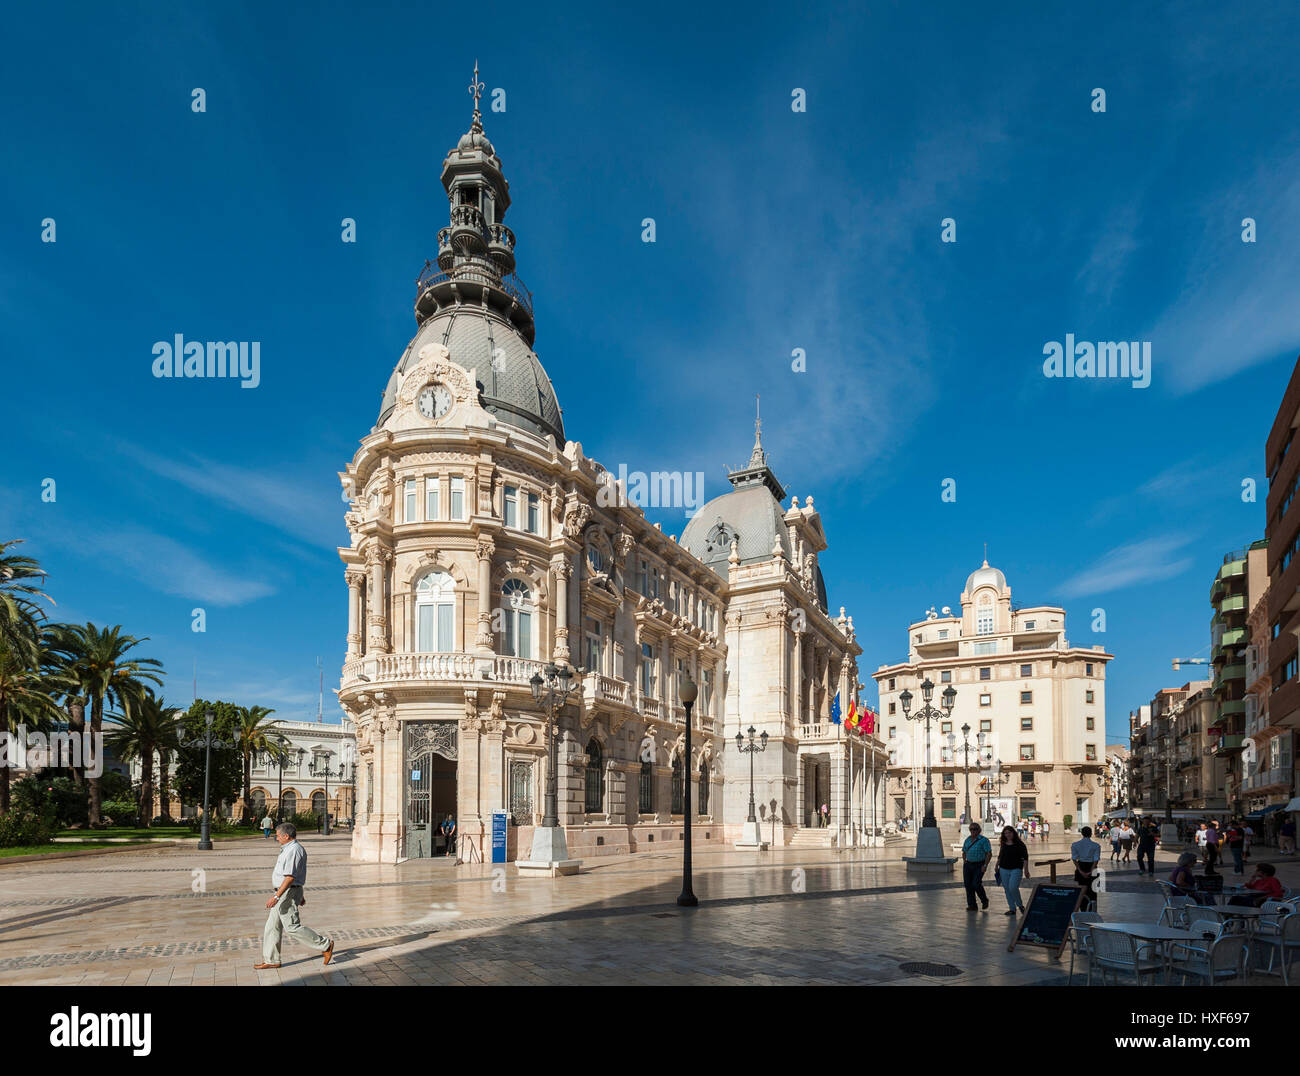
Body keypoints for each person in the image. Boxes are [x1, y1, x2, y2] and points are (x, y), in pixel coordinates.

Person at [252, 823, 335, 970]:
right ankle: (272, 960)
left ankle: (325, 944)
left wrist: (277, 897)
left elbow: (290, 877)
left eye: (278, 835)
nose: (276, 838)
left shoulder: (294, 850)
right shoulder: (288, 849)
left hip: (286, 892)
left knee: (291, 926)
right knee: (272, 927)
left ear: (286, 836)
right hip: (288, 891)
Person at [996, 825, 1031, 915]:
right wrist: (997, 866)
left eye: (1009, 832)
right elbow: (1000, 856)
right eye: (1006, 833)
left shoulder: (1020, 844)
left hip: (1016, 869)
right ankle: (1012, 908)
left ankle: (1020, 905)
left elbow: (1025, 858)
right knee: (1007, 889)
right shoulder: (1003, 844)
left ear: (1013, 833)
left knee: (1013, 887)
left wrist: (1026, 870)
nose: (1008, 835)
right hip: (1003, 869)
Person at [1071, 825, 1103, 911]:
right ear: (1091, 834)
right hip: (1091, 866)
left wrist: (1080, 871)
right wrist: (1091, 870)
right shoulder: (1096, 845)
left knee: (1082, 890)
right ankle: (1092, 910)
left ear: (1082, 834)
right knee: (1092, 891)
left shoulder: (1075, 845)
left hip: (1081, 865)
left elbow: (1074, 859)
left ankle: (1083, 908)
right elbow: (1096, 859)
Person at [962, 822, 992, 911]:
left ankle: (984, 900)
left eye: (975, 829)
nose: (973, 831)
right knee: (968, 885)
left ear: (979, 830)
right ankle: (972, 905)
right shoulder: (967, 840)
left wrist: (985, 865)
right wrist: (964, 861)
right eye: (971, 829)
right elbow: (964, 851)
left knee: (976, 884)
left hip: (979, 865)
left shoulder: (984, 840)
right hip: (968, 864)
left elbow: (989, 853)